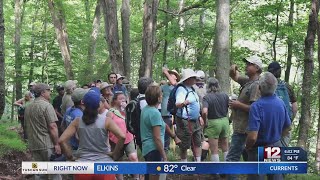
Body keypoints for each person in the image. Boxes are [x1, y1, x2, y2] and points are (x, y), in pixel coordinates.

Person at [59, 89, 125, 180]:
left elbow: (61, 140)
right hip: (104, 166)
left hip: (83, 166)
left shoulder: (77, 121)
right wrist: (115, 154)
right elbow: (122, 136)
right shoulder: (106, 121)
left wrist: (70, 156)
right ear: (99, 104)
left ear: (83, 103)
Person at [246, 72, 291, 180]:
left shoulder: (256, 107)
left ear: (260, 88)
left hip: (258, 150)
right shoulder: (281, 103)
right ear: (275, 87)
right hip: (275, 147)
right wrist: (277, 137)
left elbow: (252, 137)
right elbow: (288, 127)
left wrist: (247, 146)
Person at [227, 55, 262, 180]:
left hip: (245, 129)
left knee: (232, 159)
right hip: (241, 127)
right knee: (249, 158)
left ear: (257, 68)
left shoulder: (256, 85)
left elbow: (255, 109)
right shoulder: (247, 81)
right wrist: (233, 68)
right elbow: (233, 75)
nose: (246, 66)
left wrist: (238, 104)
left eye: (249, 64)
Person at [24, 83, 62, 180]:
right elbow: (53, 126)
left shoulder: (28, 106)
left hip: (34, 145)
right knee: (54, 173)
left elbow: (26, 126)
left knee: (40, 174)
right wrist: (57, 144)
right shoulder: (47, 106)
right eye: (48, 90)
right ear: (42, 93)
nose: (50, 92)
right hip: (47, 145)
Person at [108, 91, 139, 180]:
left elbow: (133, 121)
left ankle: (136, 177)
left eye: (124, 99)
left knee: (133, 157)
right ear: (114, 100)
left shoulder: (128, 110)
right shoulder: (110, 112)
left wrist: (127, 110)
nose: (123, 100)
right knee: (118, 161)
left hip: (129, 137)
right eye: (120, 99)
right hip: (115, 140)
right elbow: (107, 126)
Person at [175, 68, 203, 162]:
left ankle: (197, 164)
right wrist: (184, 103)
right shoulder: (181, 89)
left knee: (198, 142)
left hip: (195, 121)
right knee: (184, 144)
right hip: (185, 121)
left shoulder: (192, 88)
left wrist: (199, 116)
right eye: (193, 77)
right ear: (188, 79)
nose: (195, 79)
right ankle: (184, 165)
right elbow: (177, 104)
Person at [268, 61, 298, 146]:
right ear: (279, 71)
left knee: (268, 154)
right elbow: (295, 107)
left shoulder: (264, 85)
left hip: (270, 126)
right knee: (282, 152)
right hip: (285, 125)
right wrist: (289, 120)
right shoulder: (287, 86)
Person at [140, 85, 166, 180]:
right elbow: (157, 137)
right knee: (154, 176)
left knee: (148, 175)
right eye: (161, 94)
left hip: (147, 149)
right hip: (154, 149)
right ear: (158, 98)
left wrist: (174, 136)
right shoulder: (155, 113)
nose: (162, 96)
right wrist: (164, 155)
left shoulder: (145, 109)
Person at [202, 78, 229, 162]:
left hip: (213, 122)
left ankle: (216, 172)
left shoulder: (206, 97)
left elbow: (204, 111)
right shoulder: (225, 95)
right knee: (225, 147)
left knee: (214, 149)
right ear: (218, 85)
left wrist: (204, 121)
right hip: (225, 121)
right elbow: (232, 107)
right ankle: (227, 169)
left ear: (208, 86)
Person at [160, 68, 180, 152]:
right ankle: (165, 150)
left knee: (176, 132)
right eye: (170, 74)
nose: (170, 75)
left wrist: (166, 72)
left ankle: (180, 149)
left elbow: (174, 84)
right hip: (164, 113)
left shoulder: (177, 86)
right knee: (165, 132)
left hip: (174, 114)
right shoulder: (163, 87)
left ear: (176, 77)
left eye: (173, 74)